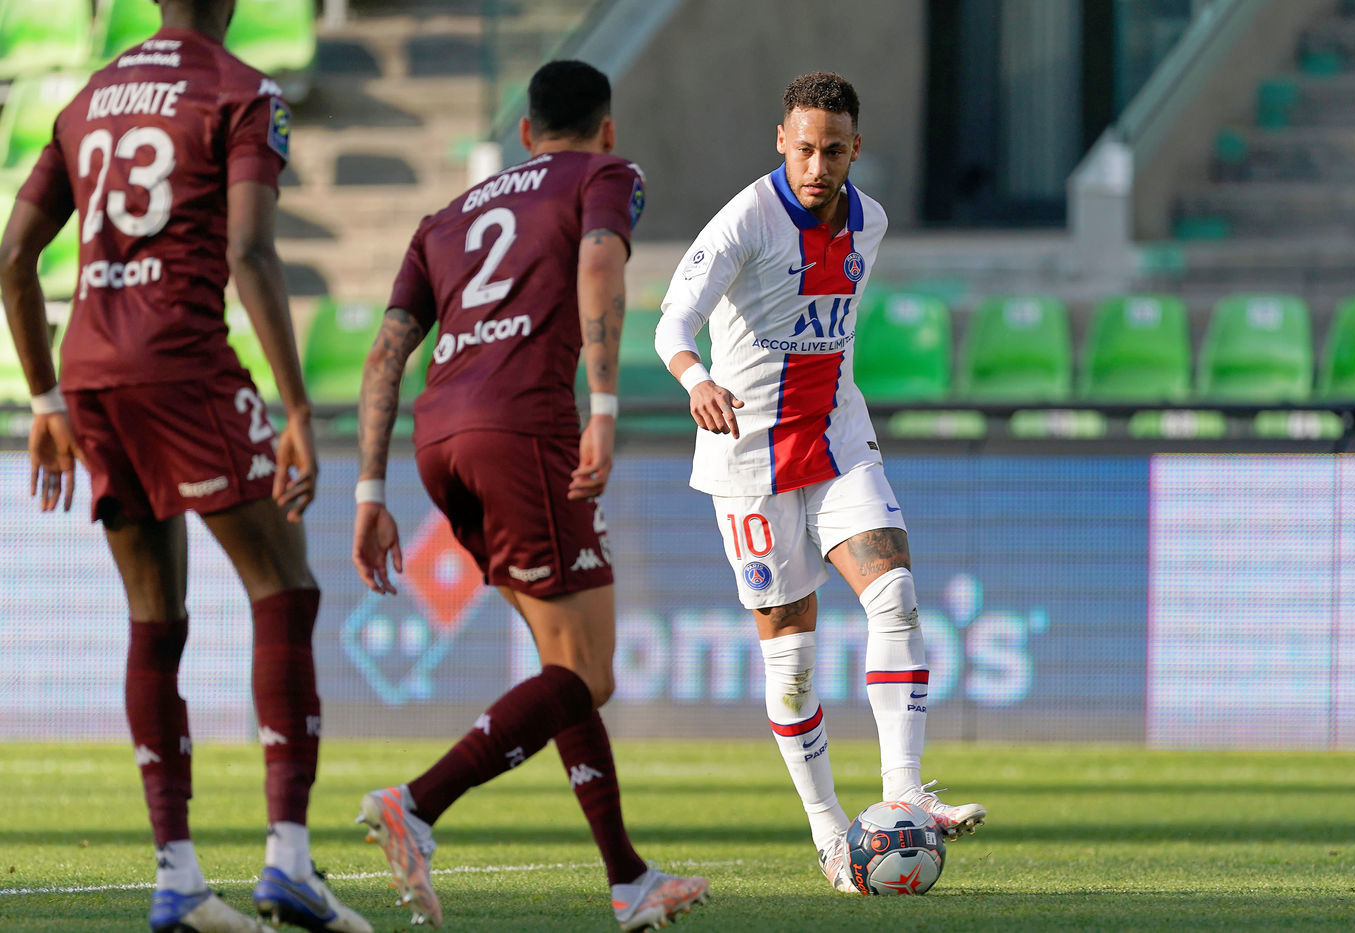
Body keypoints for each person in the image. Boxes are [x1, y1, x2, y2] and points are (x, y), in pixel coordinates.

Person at [0, 2, 370, 932]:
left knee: (152, 614)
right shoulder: (242, 92)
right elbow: (248, 250)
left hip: (91, 374)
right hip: (183, 361)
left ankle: (178, 875)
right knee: (284, 585)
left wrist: (44, 400)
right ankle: (288, 860)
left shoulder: (86, 97)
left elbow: (12, 259)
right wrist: (295, 407)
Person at [349, 59, 709, 931]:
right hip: (522, 428)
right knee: (588, 672)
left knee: (563, 664)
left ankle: (628, 879)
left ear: (522, 132)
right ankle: (416, 804)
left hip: (438, 442)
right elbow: (600, 261)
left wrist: (369, 490)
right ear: (606, 128)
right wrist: (605, 409)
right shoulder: (604, 174)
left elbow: (386, 353)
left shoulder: (445, 217)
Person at [652, 72, 988, 893]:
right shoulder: (745, 219)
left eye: (833, 150)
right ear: (782, 141)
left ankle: (905, 792)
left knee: (896, 593)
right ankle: (831, 831)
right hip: (748, 457)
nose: (817, 164)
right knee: (793, 660)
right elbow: (672, 319)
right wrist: (697, 377)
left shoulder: (871, 221)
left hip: (837, 438)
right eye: (804, 148)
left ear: (855, 149)